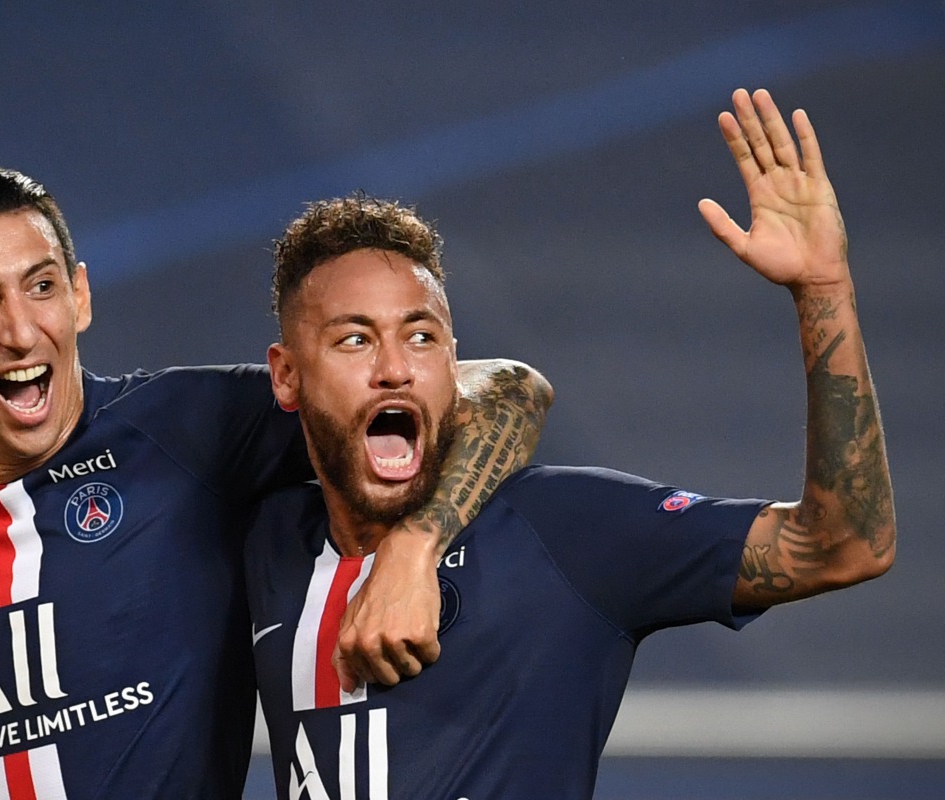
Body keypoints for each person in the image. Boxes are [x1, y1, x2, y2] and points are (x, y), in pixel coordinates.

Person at [0, 166, 549, 798]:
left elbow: (505, 386)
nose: (23, 329)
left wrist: (413, 551)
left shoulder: (188, 431)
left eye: (42, 285)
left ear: (81, 294)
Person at [244, 88, 895, 799]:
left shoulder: (565, 530)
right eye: (354, 339)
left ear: (454, 361)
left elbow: (845, 545)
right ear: (286, 375)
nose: (396, 366)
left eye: (421, 336)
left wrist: (823, 291)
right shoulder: (262, 546)